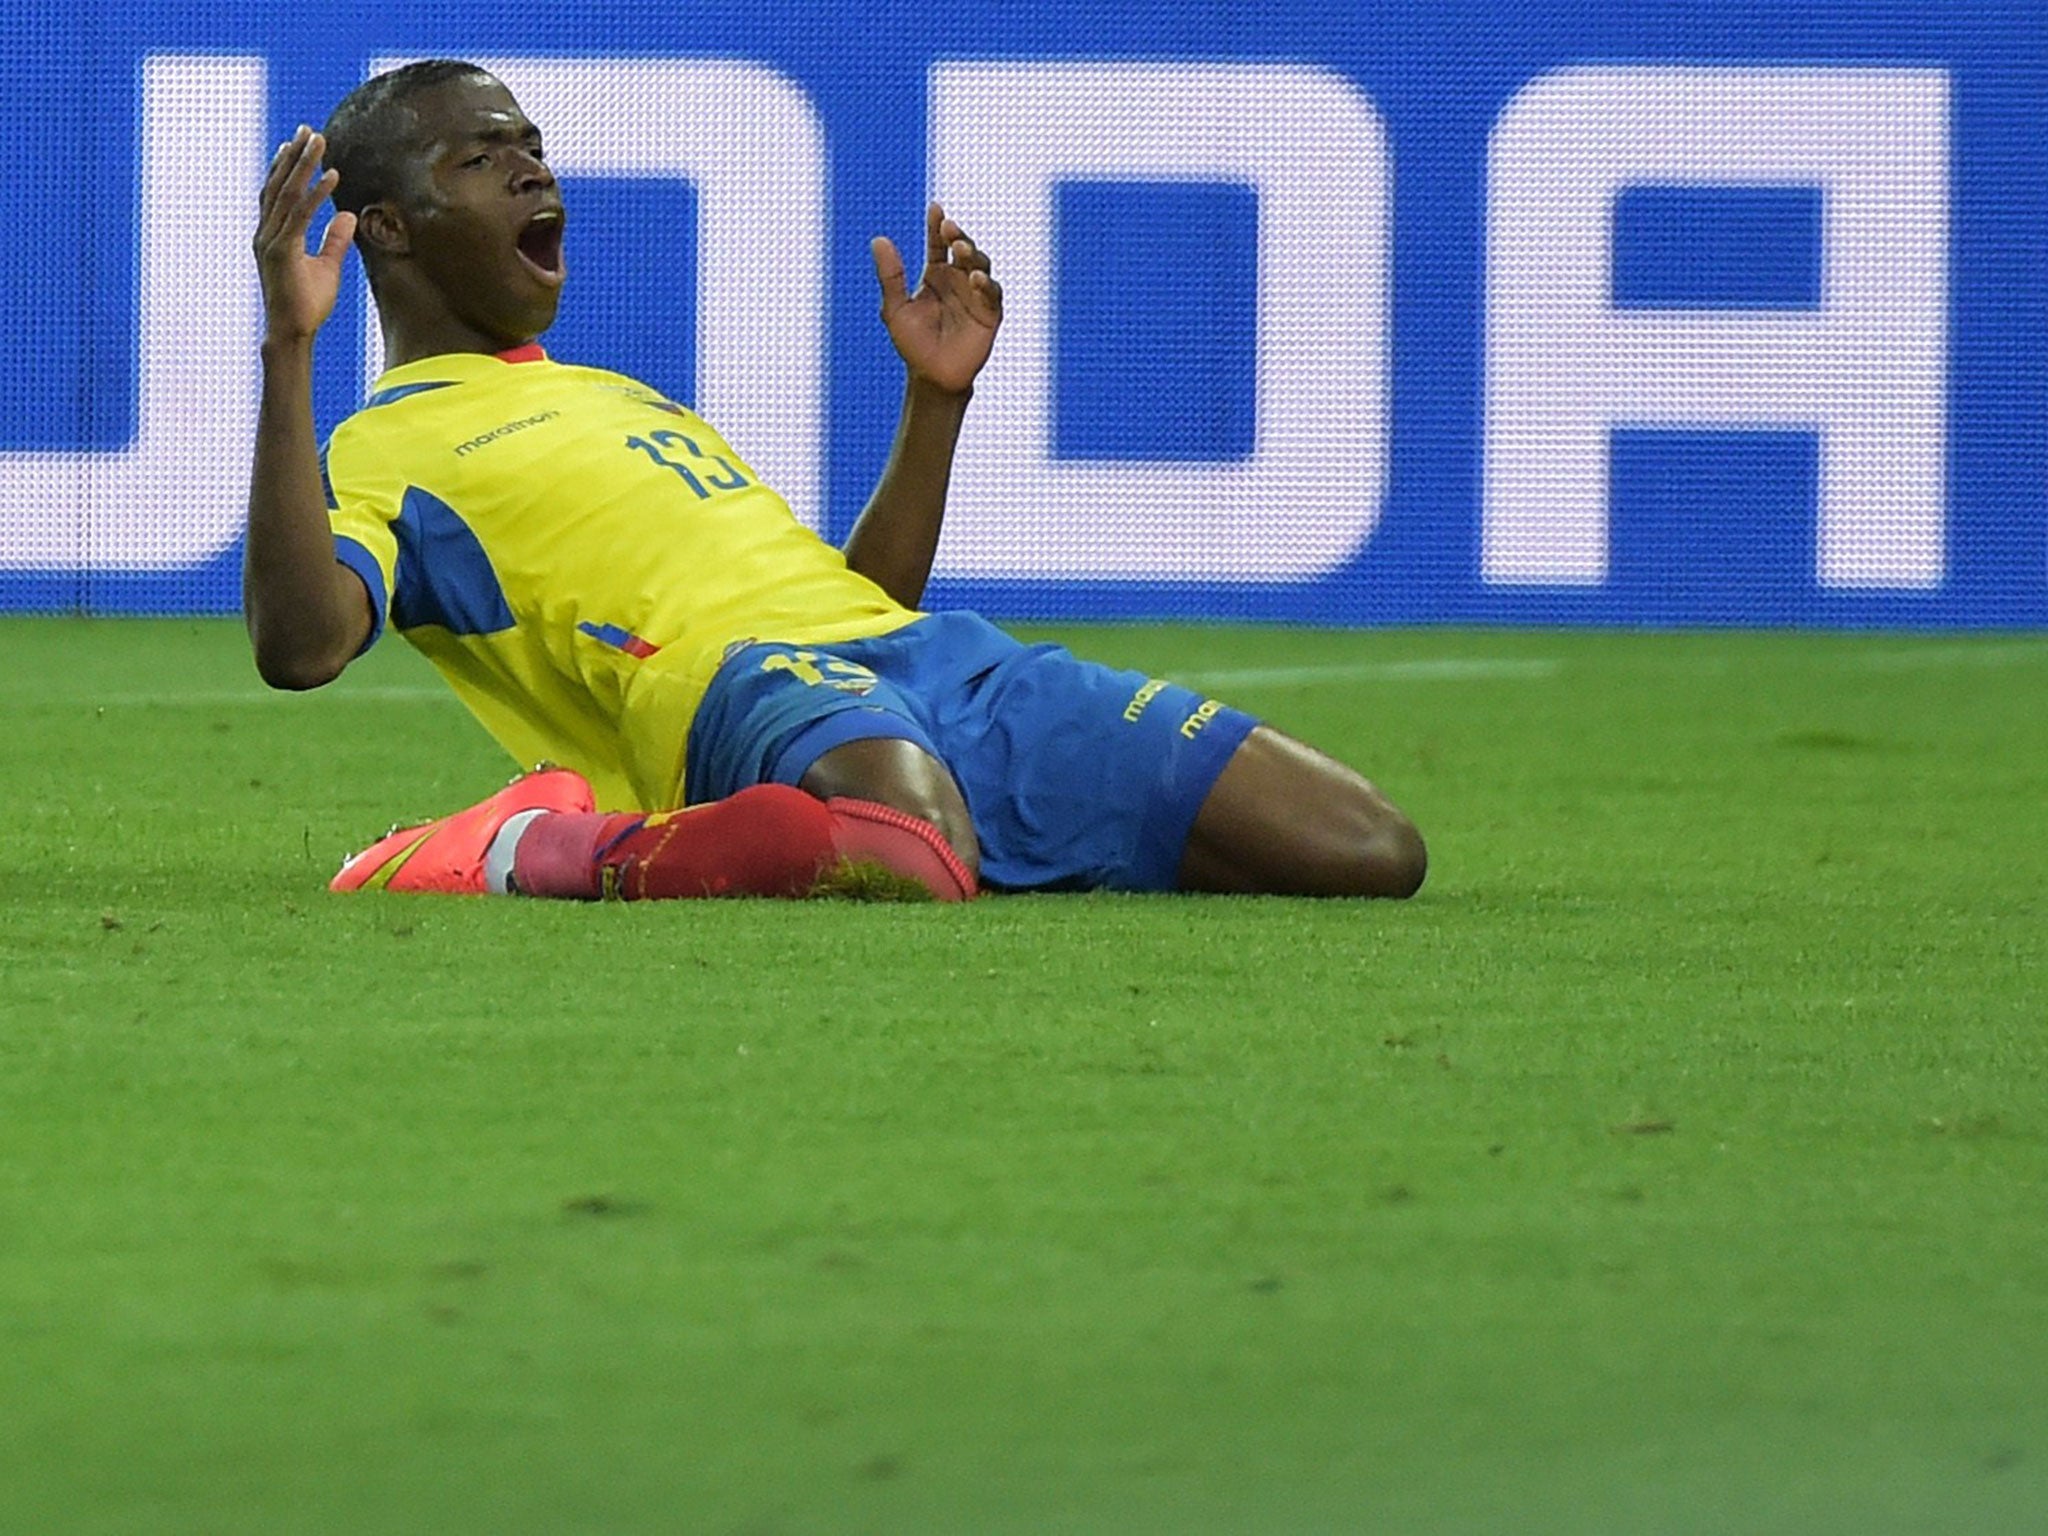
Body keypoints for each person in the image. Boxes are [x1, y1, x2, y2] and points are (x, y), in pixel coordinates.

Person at [246, 60, 1426, 903]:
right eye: (482, 158)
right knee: (899, 843)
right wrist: (291, 349)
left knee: (1367, 851)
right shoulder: (383, 447)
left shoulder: (624, 396)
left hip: (934, 668)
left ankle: (871, 827)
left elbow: (855, 598)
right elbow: (301, 646)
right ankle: (531, 851)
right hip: (732, 691)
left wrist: (934, 406)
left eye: (533, 149)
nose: (529, 173)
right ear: (388, 231)